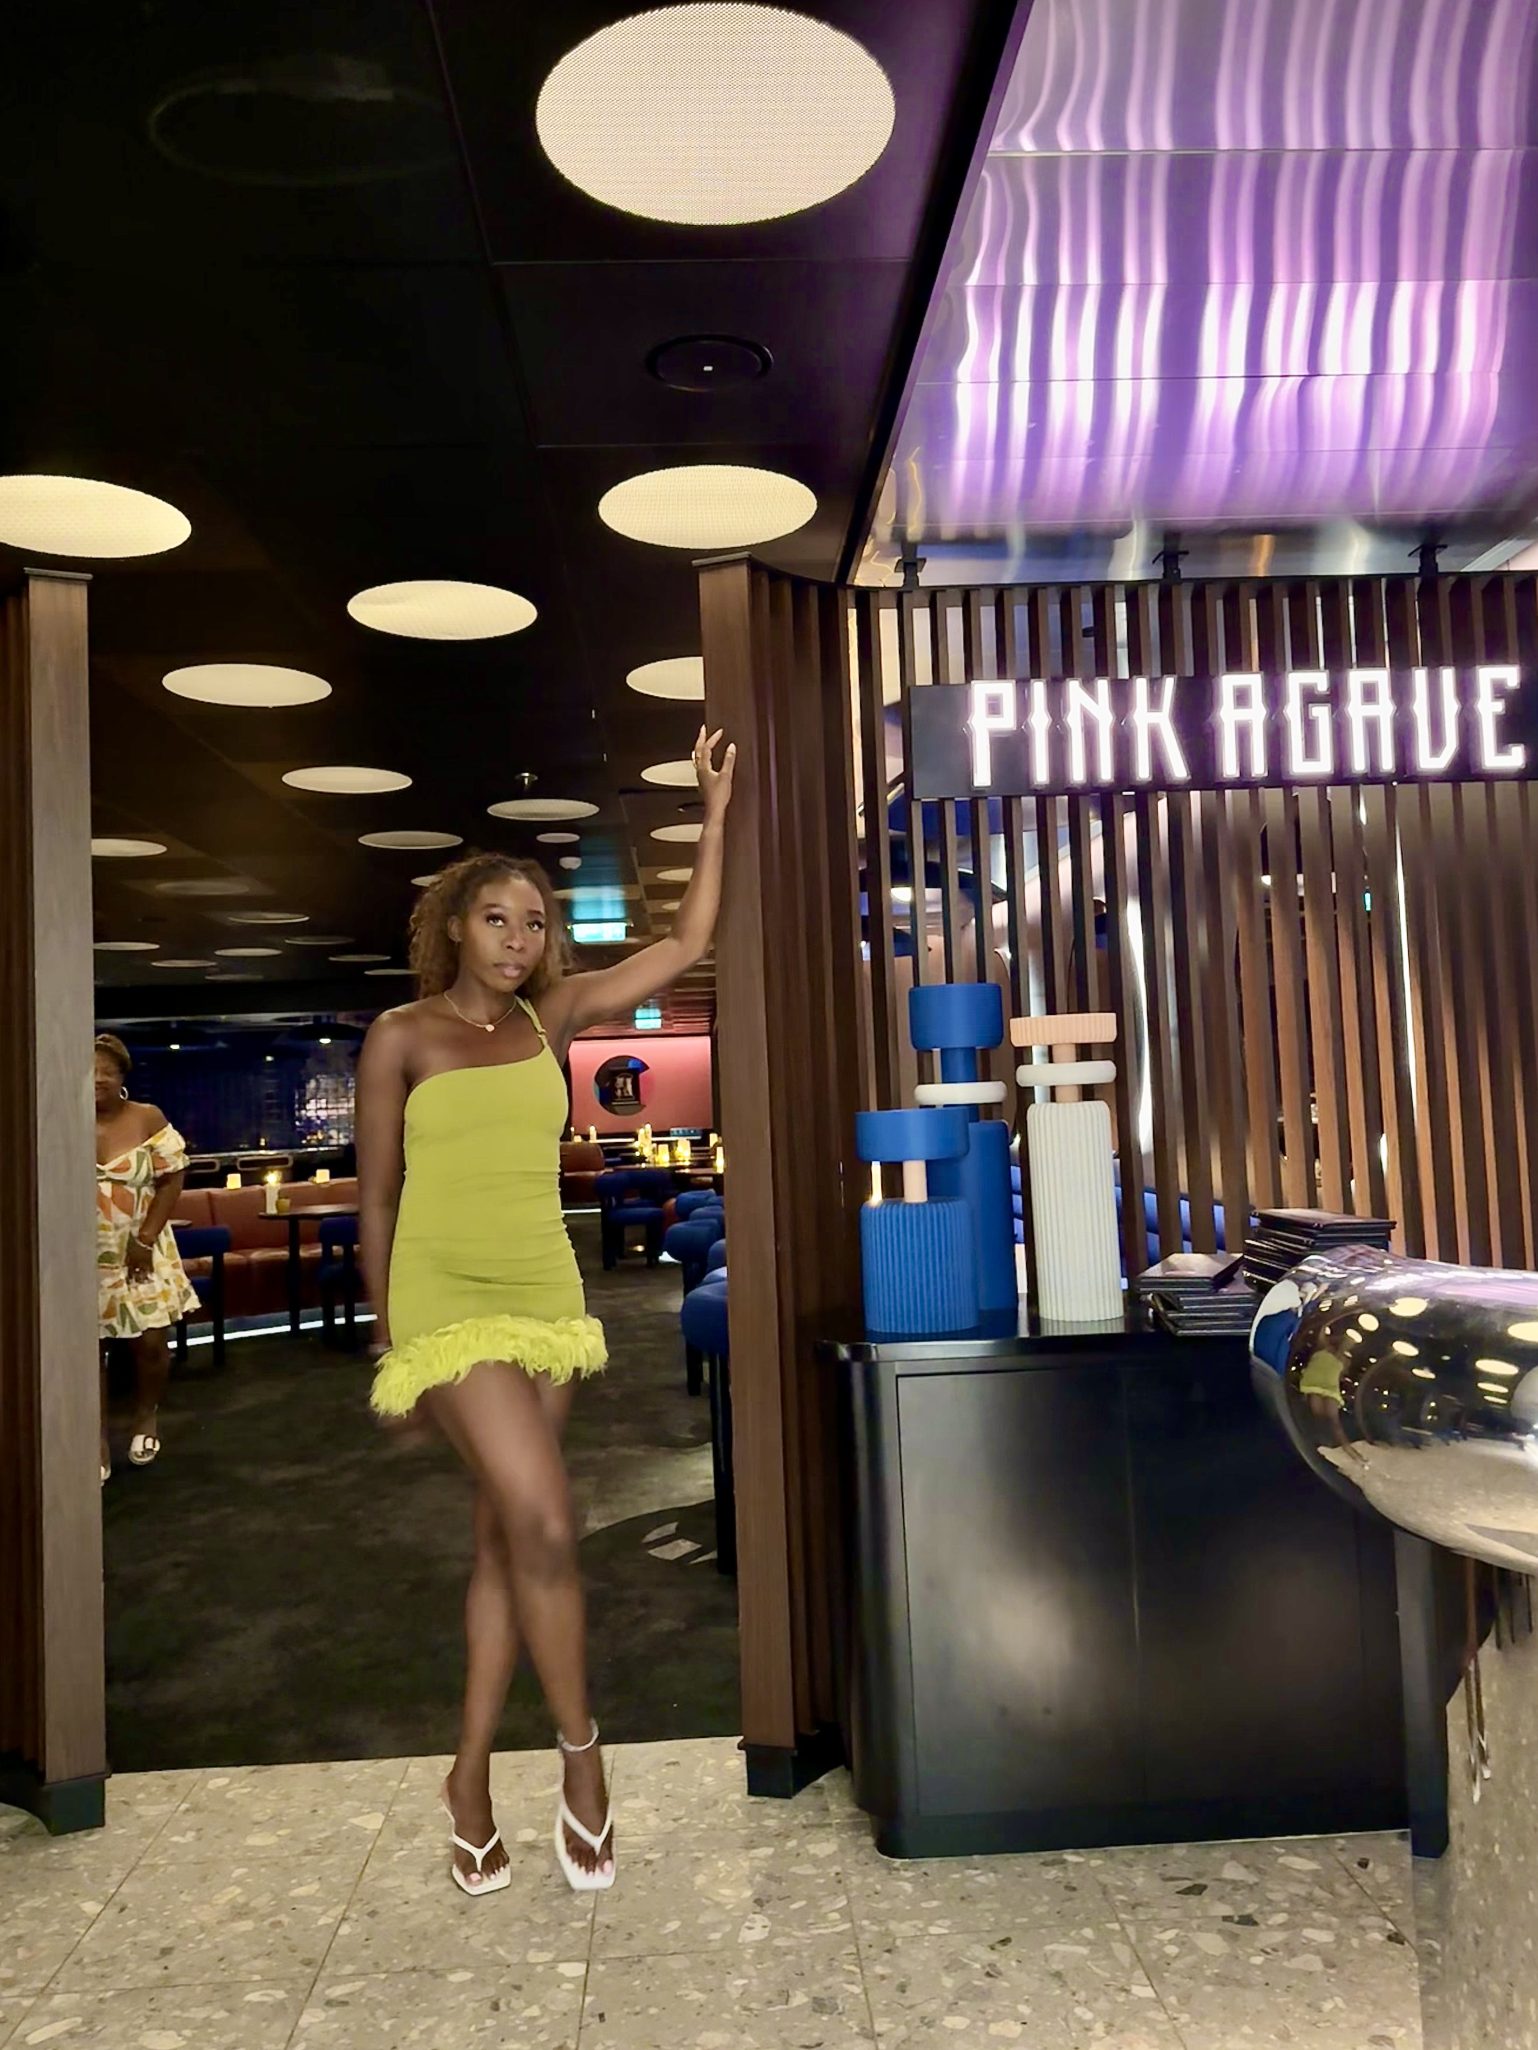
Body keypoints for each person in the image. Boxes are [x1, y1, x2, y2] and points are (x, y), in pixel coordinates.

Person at [357, 724, 735, 1899]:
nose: (519, 941)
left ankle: (467, 1780)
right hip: (444, 1297)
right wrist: (393, 1345)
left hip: (543, 1293)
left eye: (534, 924)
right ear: (452, 927)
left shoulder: (549, 1021)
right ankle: (582, 1756)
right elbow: (375, 1201)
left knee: (505, 1539)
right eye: (496, 920)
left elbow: (687, 938)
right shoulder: (400, 1036)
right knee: (549, 1521)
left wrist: (710, 808)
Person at [94, 1033, 199, 1482]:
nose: (97, 1078)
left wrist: (145, 1237)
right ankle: (93, 1437)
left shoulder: (146, 1116)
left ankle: (145, 1415)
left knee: (151, 1343)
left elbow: (172, 1177)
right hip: (82, 1254)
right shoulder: (59, 1114)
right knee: (87, 1353)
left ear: (122, 1077)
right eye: (90, 1071)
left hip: (142, 1246)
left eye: (107, 1070)